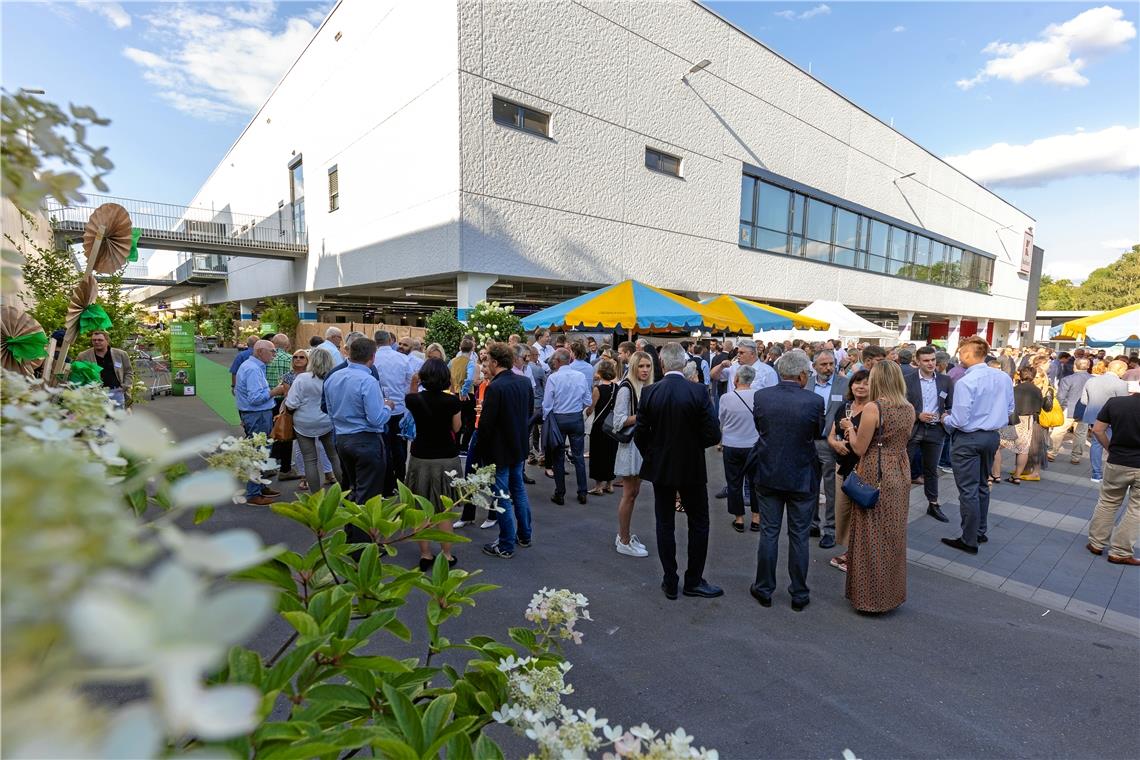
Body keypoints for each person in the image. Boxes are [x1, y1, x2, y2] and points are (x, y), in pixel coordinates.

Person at [635, 343, 722, 599]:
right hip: (691, 466)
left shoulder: (650, 392)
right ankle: (693, 580)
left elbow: (640, 434)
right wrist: (693, 447)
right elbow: (713, 433)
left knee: (665, 523)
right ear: (683, 365)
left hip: (662, 466)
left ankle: (670, 580)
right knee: (699, 522)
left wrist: (653, 455)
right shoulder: (697, 391)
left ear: (661, 364)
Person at [749, 350, 824, 611]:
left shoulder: (762, 396)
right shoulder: (814, 401)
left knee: (769, 533)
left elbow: (761, 427)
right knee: (799, 536)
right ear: (802, 375)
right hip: (801, 474)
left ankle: (764, 588)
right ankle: (799, 593)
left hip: (769, 471)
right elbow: (816, 433)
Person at [842, 361, 915, 613]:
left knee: (869, 535)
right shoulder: (908, 407)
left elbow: (859, 448)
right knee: (893, 534)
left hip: (876, 470)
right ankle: (891, 595)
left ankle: (869, 598)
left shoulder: (874, 408)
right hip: (900, 470)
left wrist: (850, 427)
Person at [940, 336, 1014, 554]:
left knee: (968, 490)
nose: (959, 356)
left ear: (967, 355)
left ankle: (969, 538)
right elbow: (1010, 409)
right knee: (982, 485)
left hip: (969, 439)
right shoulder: (1002, 377)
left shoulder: (966, 381)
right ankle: (980, 531)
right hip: (991, 436)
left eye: (961, 352)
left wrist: (945, 419)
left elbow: (960, 420)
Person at [323, 337, 392, 542]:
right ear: (372, 357)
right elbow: (376, 418)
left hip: (342, 439)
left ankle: (351, 535)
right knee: (368, 496)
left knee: (353, 489)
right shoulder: (368, 381)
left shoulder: (333, 377)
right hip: (366, 440)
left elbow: (328, 408)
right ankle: (363, 547)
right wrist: (388, 406)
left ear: (349, 353)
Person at [477, 343, 534, 559]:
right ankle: (525, 535)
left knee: (502, 497)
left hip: (499, 450)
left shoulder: (495, 387)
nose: (485, 365)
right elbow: (528, 412)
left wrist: (481, 453)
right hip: (518, 445)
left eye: (486, 361)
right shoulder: (524, 382)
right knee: (518, 491)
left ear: (494, 362)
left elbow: (486, 425)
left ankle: (506, 544)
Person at [404, 357, 461, 571]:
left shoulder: (414, 400)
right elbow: (456, 429)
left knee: (422, 507)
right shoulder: (452, 402)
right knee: (444, 509)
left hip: (421, 457)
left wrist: (413, 382)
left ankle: (425, 554)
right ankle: (446, 554)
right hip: (447, 457)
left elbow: (410, 395)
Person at [1085, 382, 1140, 565]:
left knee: (1108, 502)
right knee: (1136, 509)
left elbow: (1097, 430)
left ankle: (1096, 543)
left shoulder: (1115, 403)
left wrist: (1110, 449)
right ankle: (1120, 551)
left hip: (1117, 461)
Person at [826, 369, 871, 572]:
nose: (860, 386)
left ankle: (856, 554)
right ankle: (849, 550)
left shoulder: (873, 410)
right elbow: (831, 435)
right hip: (842, 465)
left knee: (859, 511)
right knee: (842, 510)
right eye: (857, 382)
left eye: (865, 383)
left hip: (862, 467)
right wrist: (834, 444)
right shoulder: (844, 407)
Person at [284, 346, 343, 498]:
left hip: (304, 422)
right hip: (327, 422)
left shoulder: (302, 378)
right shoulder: (334, 378)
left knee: (309, 459)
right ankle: (346, 491)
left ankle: (316, 496)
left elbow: (291, 403)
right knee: (334, 456)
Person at [234, 340, 287, 506]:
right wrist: (276, 391)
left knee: (261, 452)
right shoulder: (253, 369)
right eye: (272, 351)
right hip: (257, 414)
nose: (274, 354)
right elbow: (256, 398)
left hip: (255, 414)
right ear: (260, 351)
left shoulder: (252, 366)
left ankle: (259, 486)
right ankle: (253, 493)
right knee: (260, 453)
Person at [905, 345, 954, 521]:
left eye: (933, 360)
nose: (931, 363)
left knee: (931, 469)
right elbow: (901, 405)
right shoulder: (907, 380)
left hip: (935, 430)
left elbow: (950, 404)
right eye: (926, 360)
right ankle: (899, 503)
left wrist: (947, 414)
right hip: (914, 429)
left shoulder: (945, 380)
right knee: (904, 468)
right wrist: (918, 414)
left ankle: (933, 504)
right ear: (917, 361)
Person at [612, 351, 653, 558]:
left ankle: (625, 536)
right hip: (630, 447)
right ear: (634, 367)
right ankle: (624, 539)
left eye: (648, 366)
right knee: (628, 494)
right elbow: (618, 421)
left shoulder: (645, 387)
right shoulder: (626, 388)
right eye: (641, 366)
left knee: (634, 493)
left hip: (641, 446)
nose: (645, 370)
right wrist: (644, 415)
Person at [809, 350, 849, 548]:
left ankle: (831, 529)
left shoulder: (844, 384)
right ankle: (813, 523)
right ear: (814, 366)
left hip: (831, 443)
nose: (828, 368)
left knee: (831, 488)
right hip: (808, 442)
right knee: (810, 485)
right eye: (823, 364)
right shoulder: (806, 383)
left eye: (831, 363)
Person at [543, 348, 591, 505]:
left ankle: (560, 493)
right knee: (578, 457)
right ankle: (582, 491)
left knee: (558, 456)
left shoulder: (553, 378)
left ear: (557, 361)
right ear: (569, 360)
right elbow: (587, 400)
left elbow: (547, 403)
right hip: (576, 417)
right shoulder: (580, 376)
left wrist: (545, 419)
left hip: (559, 418)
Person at [719, 364, 760, 533]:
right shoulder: (759, 396)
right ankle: (757, 518)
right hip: (754, 445)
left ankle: (739, 519)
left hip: (732, 444)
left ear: (736, 379)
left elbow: (721, 420)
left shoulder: (726, 398)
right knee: (755, 483)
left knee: (734, 482)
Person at [373, 330, 414, 495]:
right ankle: (400, 480)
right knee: (399, 446)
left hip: (378, 407)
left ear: (375, 342)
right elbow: (410, 380)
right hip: (398, 407)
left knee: (383, 446)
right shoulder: (403, 358)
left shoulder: (372, 359)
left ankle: (386, 483)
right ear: (390, 340)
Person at [1079, 359, 1128, 484]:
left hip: (1094, 416)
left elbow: (1084, 401)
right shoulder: (1121, 384)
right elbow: (1123, 404)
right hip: (1112, 418)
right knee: (1113, 445)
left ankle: (1096, 474)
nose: (1125, 372)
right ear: (1119, 370)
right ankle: (1113, 474)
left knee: (1096, 444)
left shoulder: (1091, 380)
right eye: (1124, 370)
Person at [264, 333, 298, 480]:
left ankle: (268, 466)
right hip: (285, 401)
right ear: (287, 345)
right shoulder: (291, 359)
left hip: (268, 400)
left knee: (269, 434)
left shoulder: (266, 360)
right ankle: (285, 468)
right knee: (285, 434)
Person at [77, 330, 133, 409]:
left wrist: (125, 386)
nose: (97, 342)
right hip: (95, 394)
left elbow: (128, 372)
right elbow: (78, 374)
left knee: (118, 419)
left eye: (100, 340)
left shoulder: (121, 354)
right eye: (94, 340)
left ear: (107, 341)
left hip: (116, 392)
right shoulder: (83, 356)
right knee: (99, 419)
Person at [1052, 357, 1093, 464]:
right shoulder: (1093, 379)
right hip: (1085, 409)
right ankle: (1076, 457)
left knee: (1058, 432)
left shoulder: (1067, 379)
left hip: (1068, 408)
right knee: (1080, 434)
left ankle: (1052, 452)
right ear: (1088, 366)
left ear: (1075, 366)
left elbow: (1061, 396)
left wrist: (1058, 409)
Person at [587, 359, 619, 495]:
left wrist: (587, 411)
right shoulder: (617, 388)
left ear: (599, 373)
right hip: (612, 425)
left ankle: (598, 486)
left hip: (599, 425)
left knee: (598, 453)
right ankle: (610, 484)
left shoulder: (597, 389)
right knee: (611, 453)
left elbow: (591, 408)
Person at [710, 338, 777, 392]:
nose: (738, 355)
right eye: (738, 352)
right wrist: (721, 366)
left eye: (741, 353)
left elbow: (773, 395)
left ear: (752, 354)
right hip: (733, 407)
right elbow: (713, 375)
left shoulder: (768, 372)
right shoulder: (734, 366)